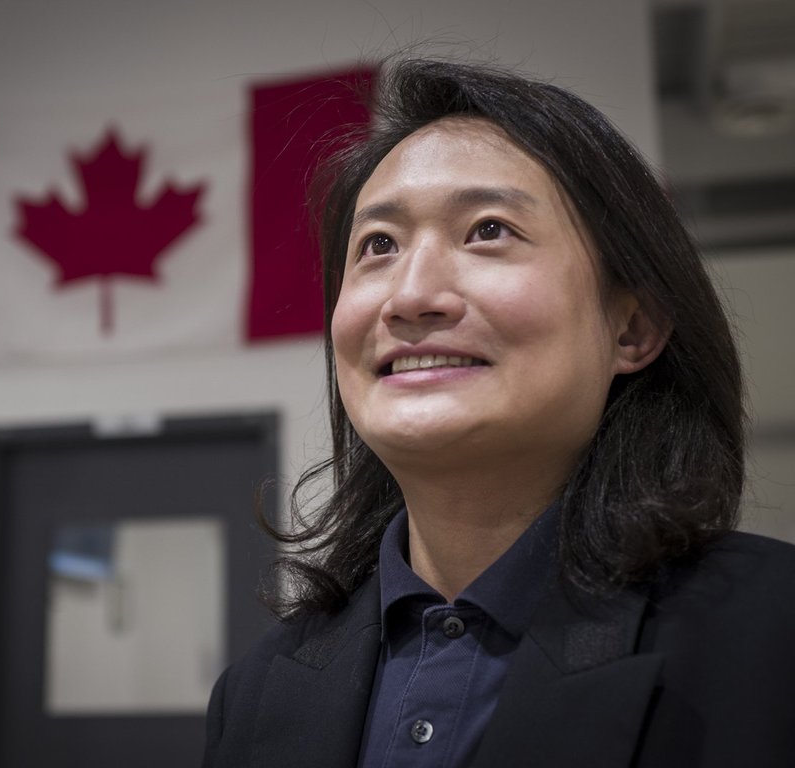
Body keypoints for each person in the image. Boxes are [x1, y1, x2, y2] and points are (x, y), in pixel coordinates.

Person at [203, 58, 795, 768]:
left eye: (488, 230)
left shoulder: (772, 634)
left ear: (631, 329)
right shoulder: (255, 691)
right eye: (378, 246)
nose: (411, 294)